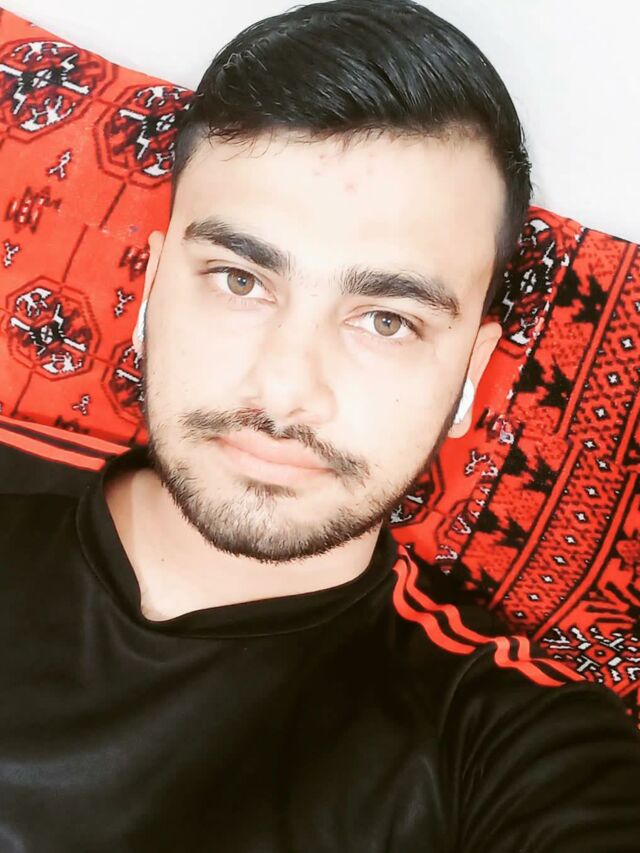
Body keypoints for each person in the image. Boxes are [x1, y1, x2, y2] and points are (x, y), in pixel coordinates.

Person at [0, 0, 639, 850]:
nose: (286, 388)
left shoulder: (504, 742)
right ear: (151, 294)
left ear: (469, 375)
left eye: (387, 320)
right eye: (239, 280)